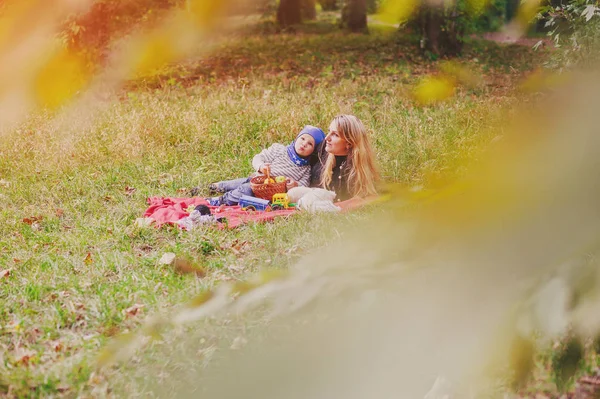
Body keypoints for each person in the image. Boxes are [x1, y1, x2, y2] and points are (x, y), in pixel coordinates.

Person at [208, 125, 326, 206]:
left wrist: (295, 185)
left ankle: (221, 200)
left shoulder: (306, 169)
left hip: (268, 193)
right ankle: (215, 187)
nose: (304, 144)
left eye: (310, 143)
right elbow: (258, 157)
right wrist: (261, 166)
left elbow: (304, 186)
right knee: (239, 182)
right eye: (303, 138)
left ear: (314, 150)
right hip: (257, 180)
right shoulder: (279, 150)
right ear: (296, 138)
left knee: (245, 189)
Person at [309, 114, 379, 202]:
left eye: (335, 134)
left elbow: (372, 196)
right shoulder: (322, 150)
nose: (327, 138)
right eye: (329, 131)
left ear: (349, 143)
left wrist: (336, 208)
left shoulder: (358, 168)